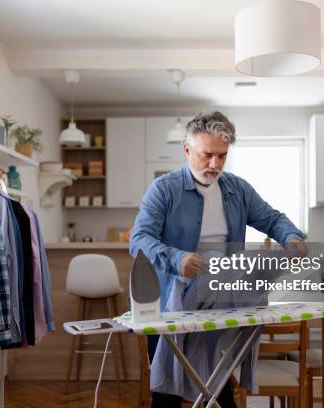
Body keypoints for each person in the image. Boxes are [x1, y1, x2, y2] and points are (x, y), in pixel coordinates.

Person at [129, 111, 306, 407]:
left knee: (217, 381)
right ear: (187, 150)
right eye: (207, 155)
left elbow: (273, 219)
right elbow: (138, 240)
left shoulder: (237, 189)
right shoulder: (164, 190)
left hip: (221, 303)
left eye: (222, 156)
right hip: (169, 306)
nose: (215, 165)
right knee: (166, 393)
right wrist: (177, 258)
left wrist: (291, 237)